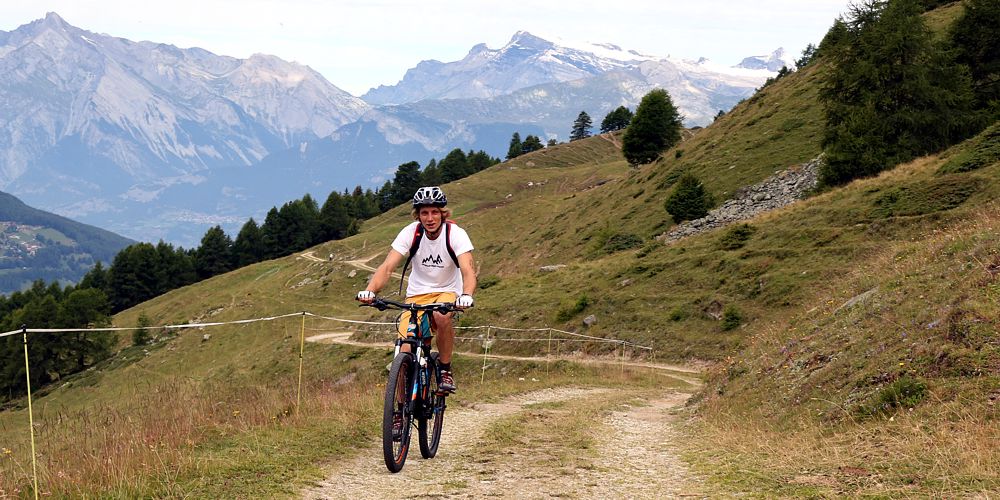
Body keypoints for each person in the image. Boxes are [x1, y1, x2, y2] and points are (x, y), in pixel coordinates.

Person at [356, 186, 476, 392]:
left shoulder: (456, 234)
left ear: (443, 214)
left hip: (447, 291)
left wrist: (466, 295)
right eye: (424, 213)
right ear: (418, 215)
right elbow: (387, 267)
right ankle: (400, 408)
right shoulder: (410, 233)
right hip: (417, 294)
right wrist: (370, 291)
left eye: (435, 212)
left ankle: (445, 369)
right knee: (405, 348)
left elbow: (468, 270)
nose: (430, 218)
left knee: (441, 316)